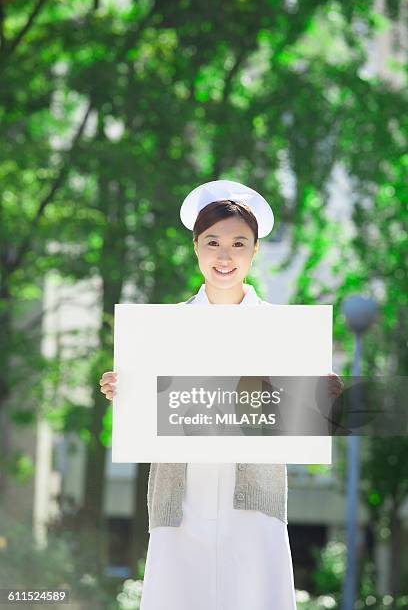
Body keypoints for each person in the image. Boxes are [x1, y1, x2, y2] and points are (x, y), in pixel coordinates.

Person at [99, 180, 343, 610]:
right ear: (196, 247)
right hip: (180, 500)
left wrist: (319, 399)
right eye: (212, 241)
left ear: (254, 251)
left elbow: (295, 420)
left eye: (238, 243)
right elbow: (151, 411)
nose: (224, 255)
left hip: (253, 502)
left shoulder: (284, 331)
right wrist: (126, 390)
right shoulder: (161, 329)